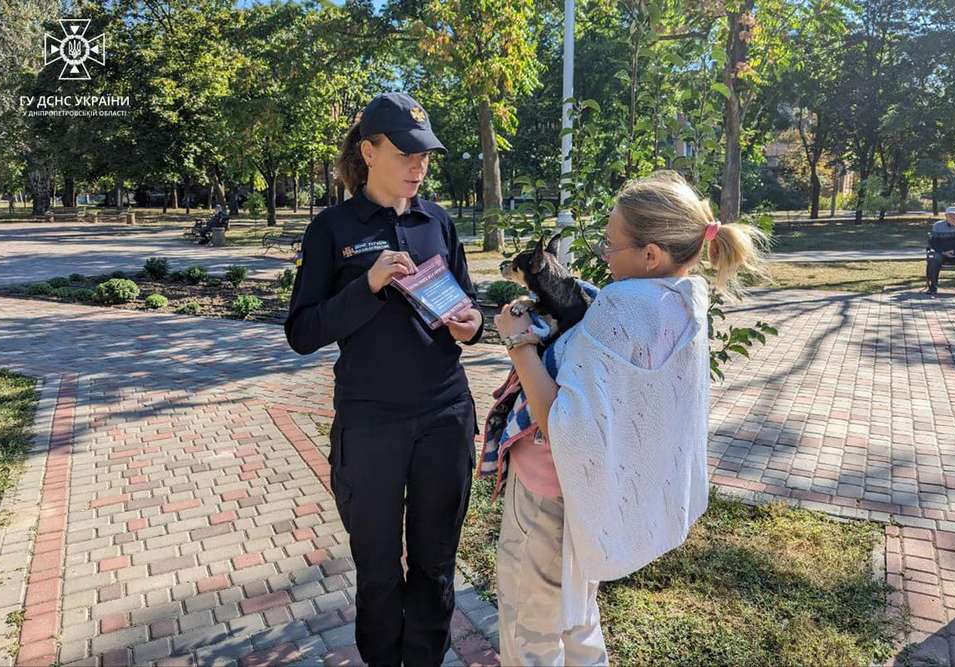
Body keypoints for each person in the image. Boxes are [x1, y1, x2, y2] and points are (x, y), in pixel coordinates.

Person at [490, 171, 765, 665]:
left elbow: (562, 423)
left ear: (651, 254)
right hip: (599, 492)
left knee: (528, 624)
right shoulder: (687, 299)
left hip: (550, 489)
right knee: (577, 614)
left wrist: (518, 342)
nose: (604, 256)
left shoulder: (623, 307)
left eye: (611, 246)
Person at [284, 92, 484, 667]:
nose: (419, 166)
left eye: (425, 155)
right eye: (406, 153)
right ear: (368, 151)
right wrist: (365, 286)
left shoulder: (437, 221)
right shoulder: (333, 228)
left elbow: (466, 306)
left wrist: (471, 325)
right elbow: (302, 331)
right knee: (376, 567)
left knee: (435, 563)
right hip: (369, 424)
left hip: (444, 417)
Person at [926, 205, 955, 296]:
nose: (952, 218)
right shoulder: (938, 225)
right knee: (934, 260)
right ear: (946, 216)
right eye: (950, 215)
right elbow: (933, 242)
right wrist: (943, 252)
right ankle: (933, 287)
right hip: (942, 252)